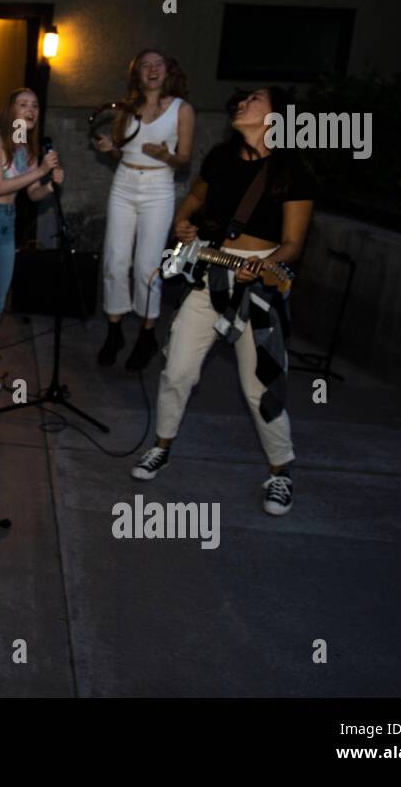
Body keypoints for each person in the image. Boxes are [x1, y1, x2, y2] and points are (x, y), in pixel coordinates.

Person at [132, 86, 315, 516]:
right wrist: (182, 224)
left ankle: (280, 471)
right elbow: (192, 203)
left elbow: (293, 244)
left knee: (260, 387)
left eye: (255, 100)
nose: (242, 104)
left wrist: (265, 264)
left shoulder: (294, 172)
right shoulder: (219, 158)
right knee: (177, 369)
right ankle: (161, 446)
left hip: (262, 282)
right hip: (211, 271)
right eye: (241, 99)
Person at [94, 48, 194, 370]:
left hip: (158, 187)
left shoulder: (181, 109)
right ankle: (114, 331)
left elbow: (185, 159)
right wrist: (111, 149)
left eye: (158, 65)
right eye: (144, 66)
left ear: (168, 71)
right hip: (124, 184)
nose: (151, 70)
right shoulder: (128, 108)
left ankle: (147, 333)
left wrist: (166, 156)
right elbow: (122, 152)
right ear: (137, 73)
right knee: (115, 260)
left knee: (146, 266)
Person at [0, 87, 63, 345]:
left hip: (8, 223)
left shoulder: (27, 147)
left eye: (35, 105)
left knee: (1, 299)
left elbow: (32, 193)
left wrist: (49, 185)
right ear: (11, 110)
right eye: (24, 104)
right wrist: (42, 171)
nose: (31, 110)